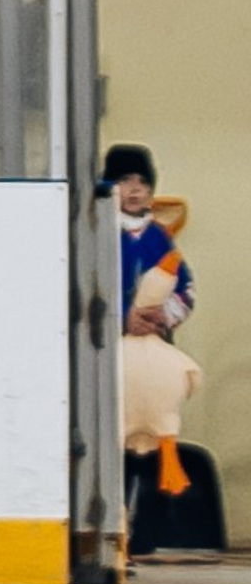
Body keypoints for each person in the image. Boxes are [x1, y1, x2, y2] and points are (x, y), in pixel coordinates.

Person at [105, 143, 220, 555]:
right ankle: (109, 523)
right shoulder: (97, 234)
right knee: (112, 440)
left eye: (141, 182)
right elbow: (86, 290)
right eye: (124, 181)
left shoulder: (160, 238)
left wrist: (161, 317)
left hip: (152, 354)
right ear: (108, 187)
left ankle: (147, 531)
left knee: (154, 442)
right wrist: (120, 319)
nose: (134, 190)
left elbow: (184, 289)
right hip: (109, 353)